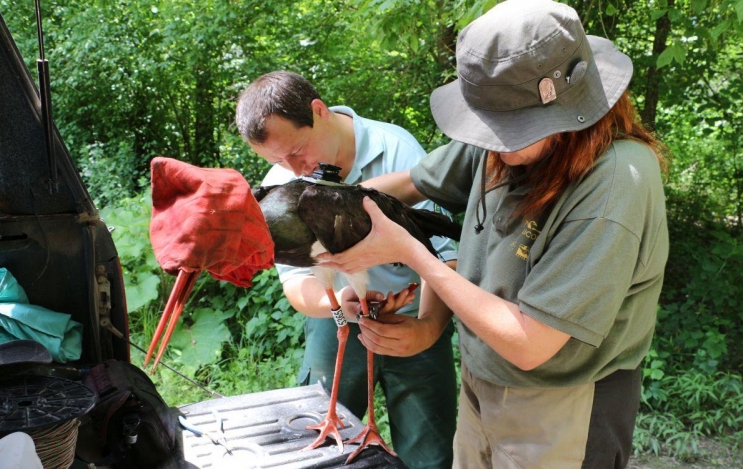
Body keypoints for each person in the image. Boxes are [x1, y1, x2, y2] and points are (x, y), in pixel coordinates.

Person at [319, 1, 670, 468]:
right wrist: (323, 219)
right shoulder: (499, 141)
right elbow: (405, 186)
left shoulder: (615, 184)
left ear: (566, 111)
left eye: (507, 131)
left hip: (562, 407)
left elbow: (531, 343)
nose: (490, 144)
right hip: (482, 382)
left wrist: (411, 254)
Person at [235, 71, 458, 469]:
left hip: (417, 314)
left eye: (297, 150)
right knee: (321, 455)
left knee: (432, 455)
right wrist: (338, 304)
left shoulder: (397, 149)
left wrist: (427, 329)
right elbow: (297, 284)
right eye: (276, 160)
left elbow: (445, 255)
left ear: (318, 112)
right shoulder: (280, 184)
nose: (293, 169)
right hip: (336, 318)